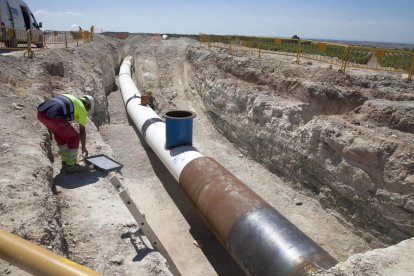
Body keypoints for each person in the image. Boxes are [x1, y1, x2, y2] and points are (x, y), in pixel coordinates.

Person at [37, 94, 95, 173]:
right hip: (54, 118)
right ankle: (71, 166)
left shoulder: (70, 97)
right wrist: (83, 147)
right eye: (88, 108)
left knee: (60, 135)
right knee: (74, 137)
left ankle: (65, 161)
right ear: (87, 105)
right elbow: (82, 131)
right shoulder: (82, 108)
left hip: (41, 114)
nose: (86, 110)